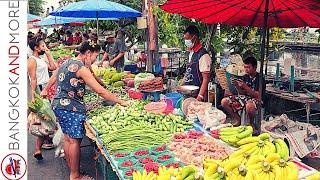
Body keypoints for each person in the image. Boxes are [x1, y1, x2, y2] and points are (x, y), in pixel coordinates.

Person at [41, 41, 128, 180]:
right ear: (88, 53)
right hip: (71, 108)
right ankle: (75, 176)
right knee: (74, 141)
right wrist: (121, 101)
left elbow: (55, 74)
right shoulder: (81, 69)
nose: (95, 59)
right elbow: (100, 91)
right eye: (95, 56)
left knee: (68, 139)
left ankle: (72, 171)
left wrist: (46, 88)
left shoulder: (68, 61)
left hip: (59, 105)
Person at [28, 37, 58, 159]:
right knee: (45, 119)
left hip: (47, 88)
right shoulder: (32, 60)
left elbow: (54, 68)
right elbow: (33, 79)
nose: (45, 47)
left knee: (46, 118)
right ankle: (38, 147)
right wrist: (34, 96)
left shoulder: (41, 59)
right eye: (43, 45)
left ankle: (40, 146)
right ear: (36, 47)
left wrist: (49, 54)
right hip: (40, 90)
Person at [221, 56, 265, 134]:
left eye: (248, 67)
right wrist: (237, 86)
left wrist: (245, 86)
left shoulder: (260, 78)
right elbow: (241, 94)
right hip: (245, 98)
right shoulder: (245, 77)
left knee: (249, 106)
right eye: (245, 67)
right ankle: (238, 119)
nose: (246, 69)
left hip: (257, 99)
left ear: (254, 67)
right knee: (224, 101)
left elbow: (258, 95)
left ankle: (251, 124)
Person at [180, 25, 211, 102]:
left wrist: (200, 96)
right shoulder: (191, 53)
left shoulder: (203, 55)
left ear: (194, 38)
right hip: (188, 93)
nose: (186, 41)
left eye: (187, 39)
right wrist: (180, 86)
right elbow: (188, 72)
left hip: (198, 95)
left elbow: (206, 78)